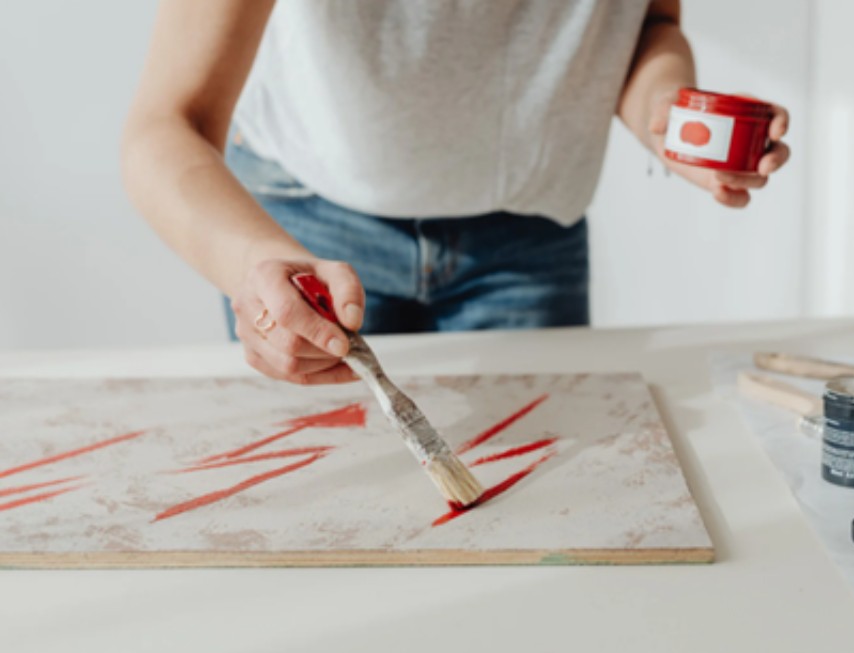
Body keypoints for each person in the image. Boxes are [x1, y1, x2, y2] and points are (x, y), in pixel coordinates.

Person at [122, 0, 790, 387]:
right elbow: (166, 124)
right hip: (307, 236)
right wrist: (251, 266)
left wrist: (671, 113)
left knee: (532, 509)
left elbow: (646, 23)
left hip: (527, 242)